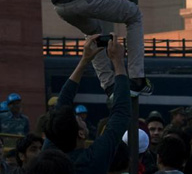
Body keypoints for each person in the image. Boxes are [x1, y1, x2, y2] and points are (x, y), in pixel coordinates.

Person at [46, 35, 130, 174]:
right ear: (81, 133)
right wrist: (118, 61)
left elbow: (121, 114)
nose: (81, 118)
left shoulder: (49, 154)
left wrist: (85, 60)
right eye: (78, 119)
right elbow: (120, 113)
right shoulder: (92, 161)